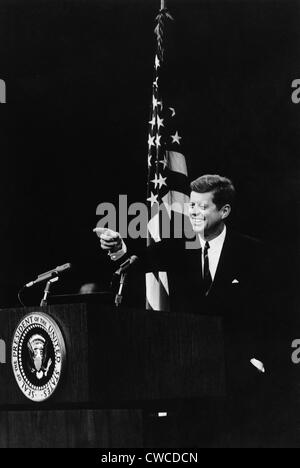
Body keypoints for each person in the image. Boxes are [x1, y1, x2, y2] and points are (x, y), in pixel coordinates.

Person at [96, 174, 271, 445]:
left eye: (203, 207)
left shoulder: (252, 251)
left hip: (241, 376)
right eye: (192, 206)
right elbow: (140, 262)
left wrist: (258, 357)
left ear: (224, 211)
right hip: (191, 380)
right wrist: (119, 248)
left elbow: (269, 311)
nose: (194, 213)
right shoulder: (179, 248)